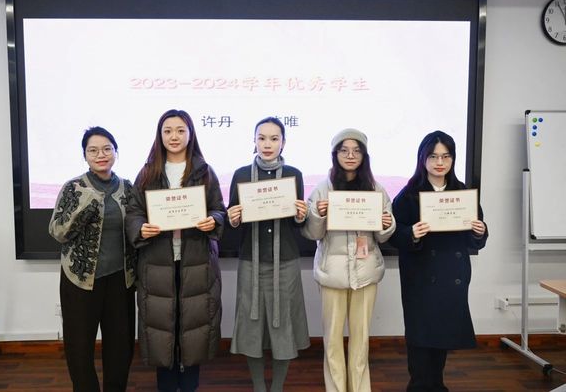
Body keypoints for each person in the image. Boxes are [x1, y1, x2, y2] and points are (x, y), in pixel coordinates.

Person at [125, 109, 225, 392]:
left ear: (190, 134)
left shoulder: (204, 171)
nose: (174, 136)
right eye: (167, 131)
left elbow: (219, 209)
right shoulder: (148, 172)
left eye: (180, 130)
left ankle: (189, 385)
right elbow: (133, 212)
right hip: (158, 264)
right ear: (160, 135)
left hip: (197, 263)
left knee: (193, 329)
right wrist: (140, 228)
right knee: (162, 330)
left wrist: (213, 220)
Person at [389, 130, 488, 392]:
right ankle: (420, 386)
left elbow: (475, 236)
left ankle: (437, 385)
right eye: (433, 156)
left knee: (442, 335)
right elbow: (393, 235)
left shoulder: (463, 193)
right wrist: (411, 234)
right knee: (421, 337)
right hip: (420, 277)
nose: (440, 162)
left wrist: (480, 232)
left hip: (452, 274)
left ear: (453, 159)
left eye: (446, 156)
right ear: (423, 159)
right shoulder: (408, 195)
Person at [302, 128, 395, 392]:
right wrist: (318, 215)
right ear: (335, 155)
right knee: (332, 340)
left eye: (356, 151)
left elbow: (384, 235)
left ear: (364, 155)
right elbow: (312, 233)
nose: (350, 156)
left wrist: (386, 224)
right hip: (332, 273)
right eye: (344, 150)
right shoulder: (322, 188)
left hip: (366, 273)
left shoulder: (376, 189)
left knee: (361, 339)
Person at [49, 126, 136, 392]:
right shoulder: (74, 188)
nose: (101, 155)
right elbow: (58, 231)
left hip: (120, 280)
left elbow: (137, 228)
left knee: (120, 347)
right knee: (79, 347)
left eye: (107, 149)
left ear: (116, 152)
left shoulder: (128, 188)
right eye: (93, 150)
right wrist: (84, 206)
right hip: (80, 279)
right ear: (85, 155)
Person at [227, 116, 310, 392]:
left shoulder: (294, 175)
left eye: (274, 139)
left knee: (283, 325)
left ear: (283, 142)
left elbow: (296, 223)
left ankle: (277, 387)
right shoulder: (240, 175)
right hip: (250, 260)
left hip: (285, 261)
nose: (267, 144)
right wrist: (233, 219)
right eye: (261, 138)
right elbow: (233, 221)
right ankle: (258, 386)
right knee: (251, 326)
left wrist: (300, 216)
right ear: (254, 141)